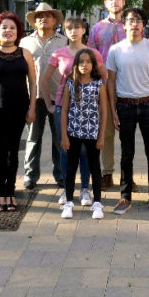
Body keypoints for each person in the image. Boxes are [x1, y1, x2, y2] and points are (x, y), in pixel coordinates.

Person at [42, 16, 107, 206]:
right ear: (65, 31)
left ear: (84, 30)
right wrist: (50, 105)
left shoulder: (93, 53)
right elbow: (44, 79)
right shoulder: (59, 53)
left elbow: (104, 78)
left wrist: (97, 100)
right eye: (69, 28)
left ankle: (85, 189)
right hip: (64, 107)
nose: (74, 31)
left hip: (88, 109)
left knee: (87, 151)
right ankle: (66, 189)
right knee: (65, 148)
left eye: (78, 28)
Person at [106, 7, 149, 215]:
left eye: (139, 20)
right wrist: (113, 110)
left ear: (143, 25)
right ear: (124, 25)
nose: (135, 24)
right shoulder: (115, 50)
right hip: (124, 106)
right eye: (131, 20)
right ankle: (125, 197)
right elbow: (111, 81)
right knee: (126, 154)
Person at [0, 12, 37, 212]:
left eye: (12, 27)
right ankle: (1, 193)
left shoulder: (25, 53)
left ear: (18, 31)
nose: (8, 31)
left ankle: (11, 192)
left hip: (19, 110)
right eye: (4, 27)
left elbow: (33, 83)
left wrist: (32, 108)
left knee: (13, 153)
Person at [20, 2, 68, 190]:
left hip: (58, 96)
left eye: (48, 15)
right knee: (33, 137)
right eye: (39, 16)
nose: (43, 18)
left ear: (55, 20)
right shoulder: (25, 42)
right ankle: (30, 175)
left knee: (59, 138)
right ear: (34, 22)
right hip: (33, 97)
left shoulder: (63, 41)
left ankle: (61, 174)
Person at [60, 49, 108, 220]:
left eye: (88, 61)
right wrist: (64, 135)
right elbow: (64, 110)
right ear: (76, 64)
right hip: (73, 132)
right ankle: (69, 202)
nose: (85, 65)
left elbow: (103, 110)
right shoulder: (70, 84)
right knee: (71, 167)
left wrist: (101, 135)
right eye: (81, 62)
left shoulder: (99, 84)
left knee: (95, 167)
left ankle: (97, 203)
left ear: (93, 64)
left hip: (92, 132)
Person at [87, 0, 127, 191]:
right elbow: (89, 58)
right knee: (107, 132)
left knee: (127, 134)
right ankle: (107, 173)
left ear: (124, 1)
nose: (114, 1)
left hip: (128, 87)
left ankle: (127, 176)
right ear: (105, 3)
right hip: (103, 88)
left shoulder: (132, 26)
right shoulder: (96, 29)